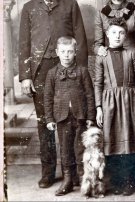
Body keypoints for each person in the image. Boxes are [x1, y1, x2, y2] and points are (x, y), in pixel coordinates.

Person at [19, 0, 88, 189]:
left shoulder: (70, 5)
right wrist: (25, 76)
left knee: (73, 122)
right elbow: (24, 44)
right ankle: (48, 172)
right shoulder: (29, 7)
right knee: (45, 123)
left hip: (66, 70)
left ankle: (74, 173)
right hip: (40, 73)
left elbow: (81, 40)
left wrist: (82, 72)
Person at [95, 19, 135, 196]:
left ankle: (128, 181)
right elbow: (97, 83)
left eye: (120, 33)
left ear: (125, 35)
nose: (117, 36)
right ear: (107, 35)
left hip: (129, 102)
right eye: (113, 33)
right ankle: (117, 180)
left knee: (129, 141)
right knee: (112, 142)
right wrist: (98, 108)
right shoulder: (101, 56)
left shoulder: (131, 53)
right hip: (109, 102)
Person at [44, 36, 95, 196]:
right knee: (65, 149)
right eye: (63, 52)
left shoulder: (82, 71)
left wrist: (90, 117)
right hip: (61, 117)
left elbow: (90, 95)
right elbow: (47, 97)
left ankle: (82, 179)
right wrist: (50, 119)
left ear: (75, 52)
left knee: (80, 148)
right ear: (57, 52)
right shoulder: (52, 74)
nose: (66, 55)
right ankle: (68, 180)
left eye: (70, 52)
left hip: (80, 116)